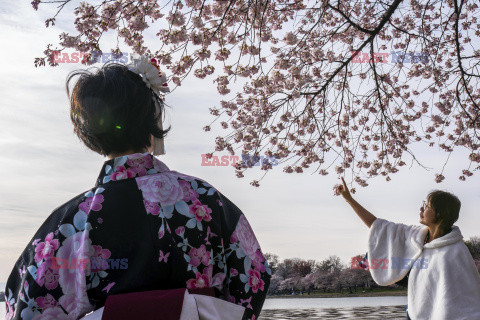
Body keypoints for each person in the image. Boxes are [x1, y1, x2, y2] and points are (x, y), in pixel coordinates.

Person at [4, 57, 270, 320]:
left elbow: (26, 303)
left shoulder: (70, 222)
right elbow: (254, 274)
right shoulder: (207, 200)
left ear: (86, 131)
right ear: (152, 117)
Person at [336, 177, 480, 319]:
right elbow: (378, 227)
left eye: (428, 206)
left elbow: (462, 300)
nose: (421, 208)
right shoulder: (416, 235)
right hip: (414, 312)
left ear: (439, 214)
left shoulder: (455, 252)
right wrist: (349, 199)